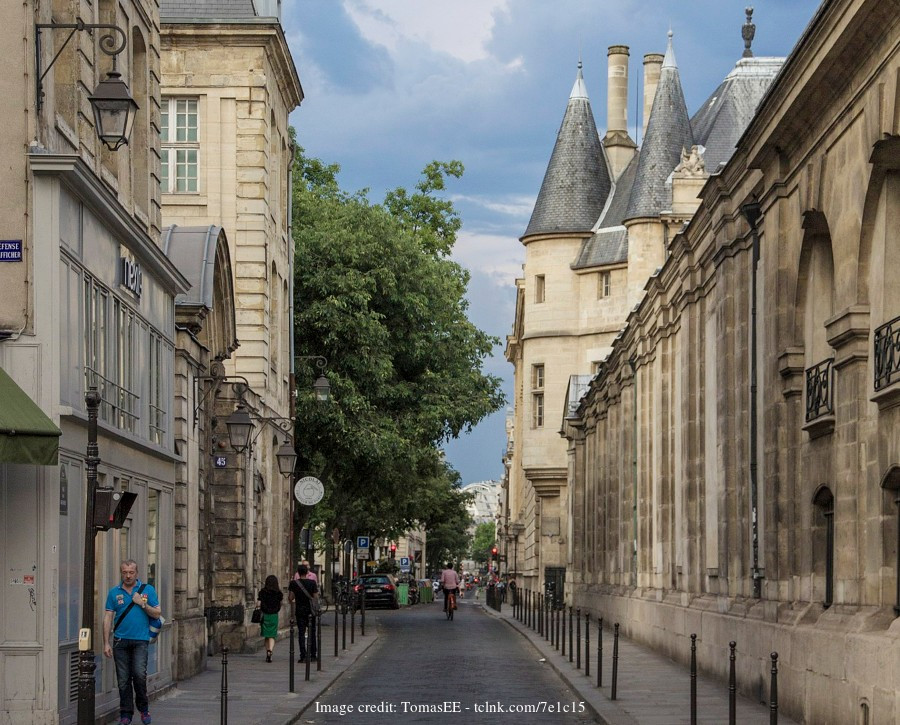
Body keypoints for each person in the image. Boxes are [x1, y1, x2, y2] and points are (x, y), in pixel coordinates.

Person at [103, 560, 161, 725]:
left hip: (140, 641)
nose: (128, 576)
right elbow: (108, 617)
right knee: (123, 679)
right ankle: (126, 714)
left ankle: (143, 709)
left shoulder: (148, 590)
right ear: (121, 573)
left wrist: (142, 604)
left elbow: (157, 613)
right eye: (125, 572)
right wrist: (106, 642)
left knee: (139, 675)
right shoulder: (114, 592)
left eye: (131, 572)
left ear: (137, 573)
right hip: (120, 641)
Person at [288, 564, 318, 662]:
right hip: (311, 611)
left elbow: (291, 598)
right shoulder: (312, 583)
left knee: (301, 633)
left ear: (298, 572)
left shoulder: (293, 583)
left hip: (300, 610)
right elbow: (315, 597)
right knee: (312, 632)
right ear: (307, 572)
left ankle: (303, 655)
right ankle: (313, 654)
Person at [256, 575, 283, 663]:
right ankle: (270, 650)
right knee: (272, 634)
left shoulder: (262, 592)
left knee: (266, 635)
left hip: (265, 615)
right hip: (274, 615)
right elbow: (280, 604)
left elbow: (258, 603)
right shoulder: (278, 593)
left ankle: (267, 650)